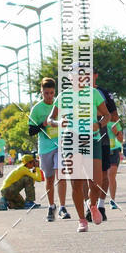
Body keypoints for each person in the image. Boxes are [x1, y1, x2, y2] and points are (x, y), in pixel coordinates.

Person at [47, 79, 110, 232]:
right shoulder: (63, 96)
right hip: (70, 141)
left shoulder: (94, 93)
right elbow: (50, 120)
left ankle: (93, 205)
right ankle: (82, 220)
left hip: (92, 140)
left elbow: (107, 115)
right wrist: (58, 121)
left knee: (96, 183)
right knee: (76, 183)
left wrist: (99, 124)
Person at [28, 77, 70, 221]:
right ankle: (52, 206)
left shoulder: (60, 105)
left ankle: (63, 207)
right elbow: (31, 130)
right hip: (45, 148)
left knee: (61, 175)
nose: (50, 96)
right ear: (41, 92)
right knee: (50, 178)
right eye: (46, 93)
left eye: (52, 93)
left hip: (61, 145)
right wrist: (43, 124)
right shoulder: (37, 109)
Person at [87, 71, 119, 222]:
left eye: (89, 74)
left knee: (103, 175)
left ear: (96, 75)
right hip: (79, 139)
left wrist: (98, 117)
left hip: (102, 137)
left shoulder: (103, 93)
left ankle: (100, 206)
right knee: (84, 177)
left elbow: (114, 116)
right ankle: (88, 205)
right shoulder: (71, 95)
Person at [106, 118, 123, 209]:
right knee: (101, 178)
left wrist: (116, 132)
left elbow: (121, 140)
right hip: (100, 151)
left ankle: (112, 200)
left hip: (113, 151)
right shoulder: (95, 121)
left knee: (111, 175)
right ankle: (96, 201)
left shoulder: (115, 123)